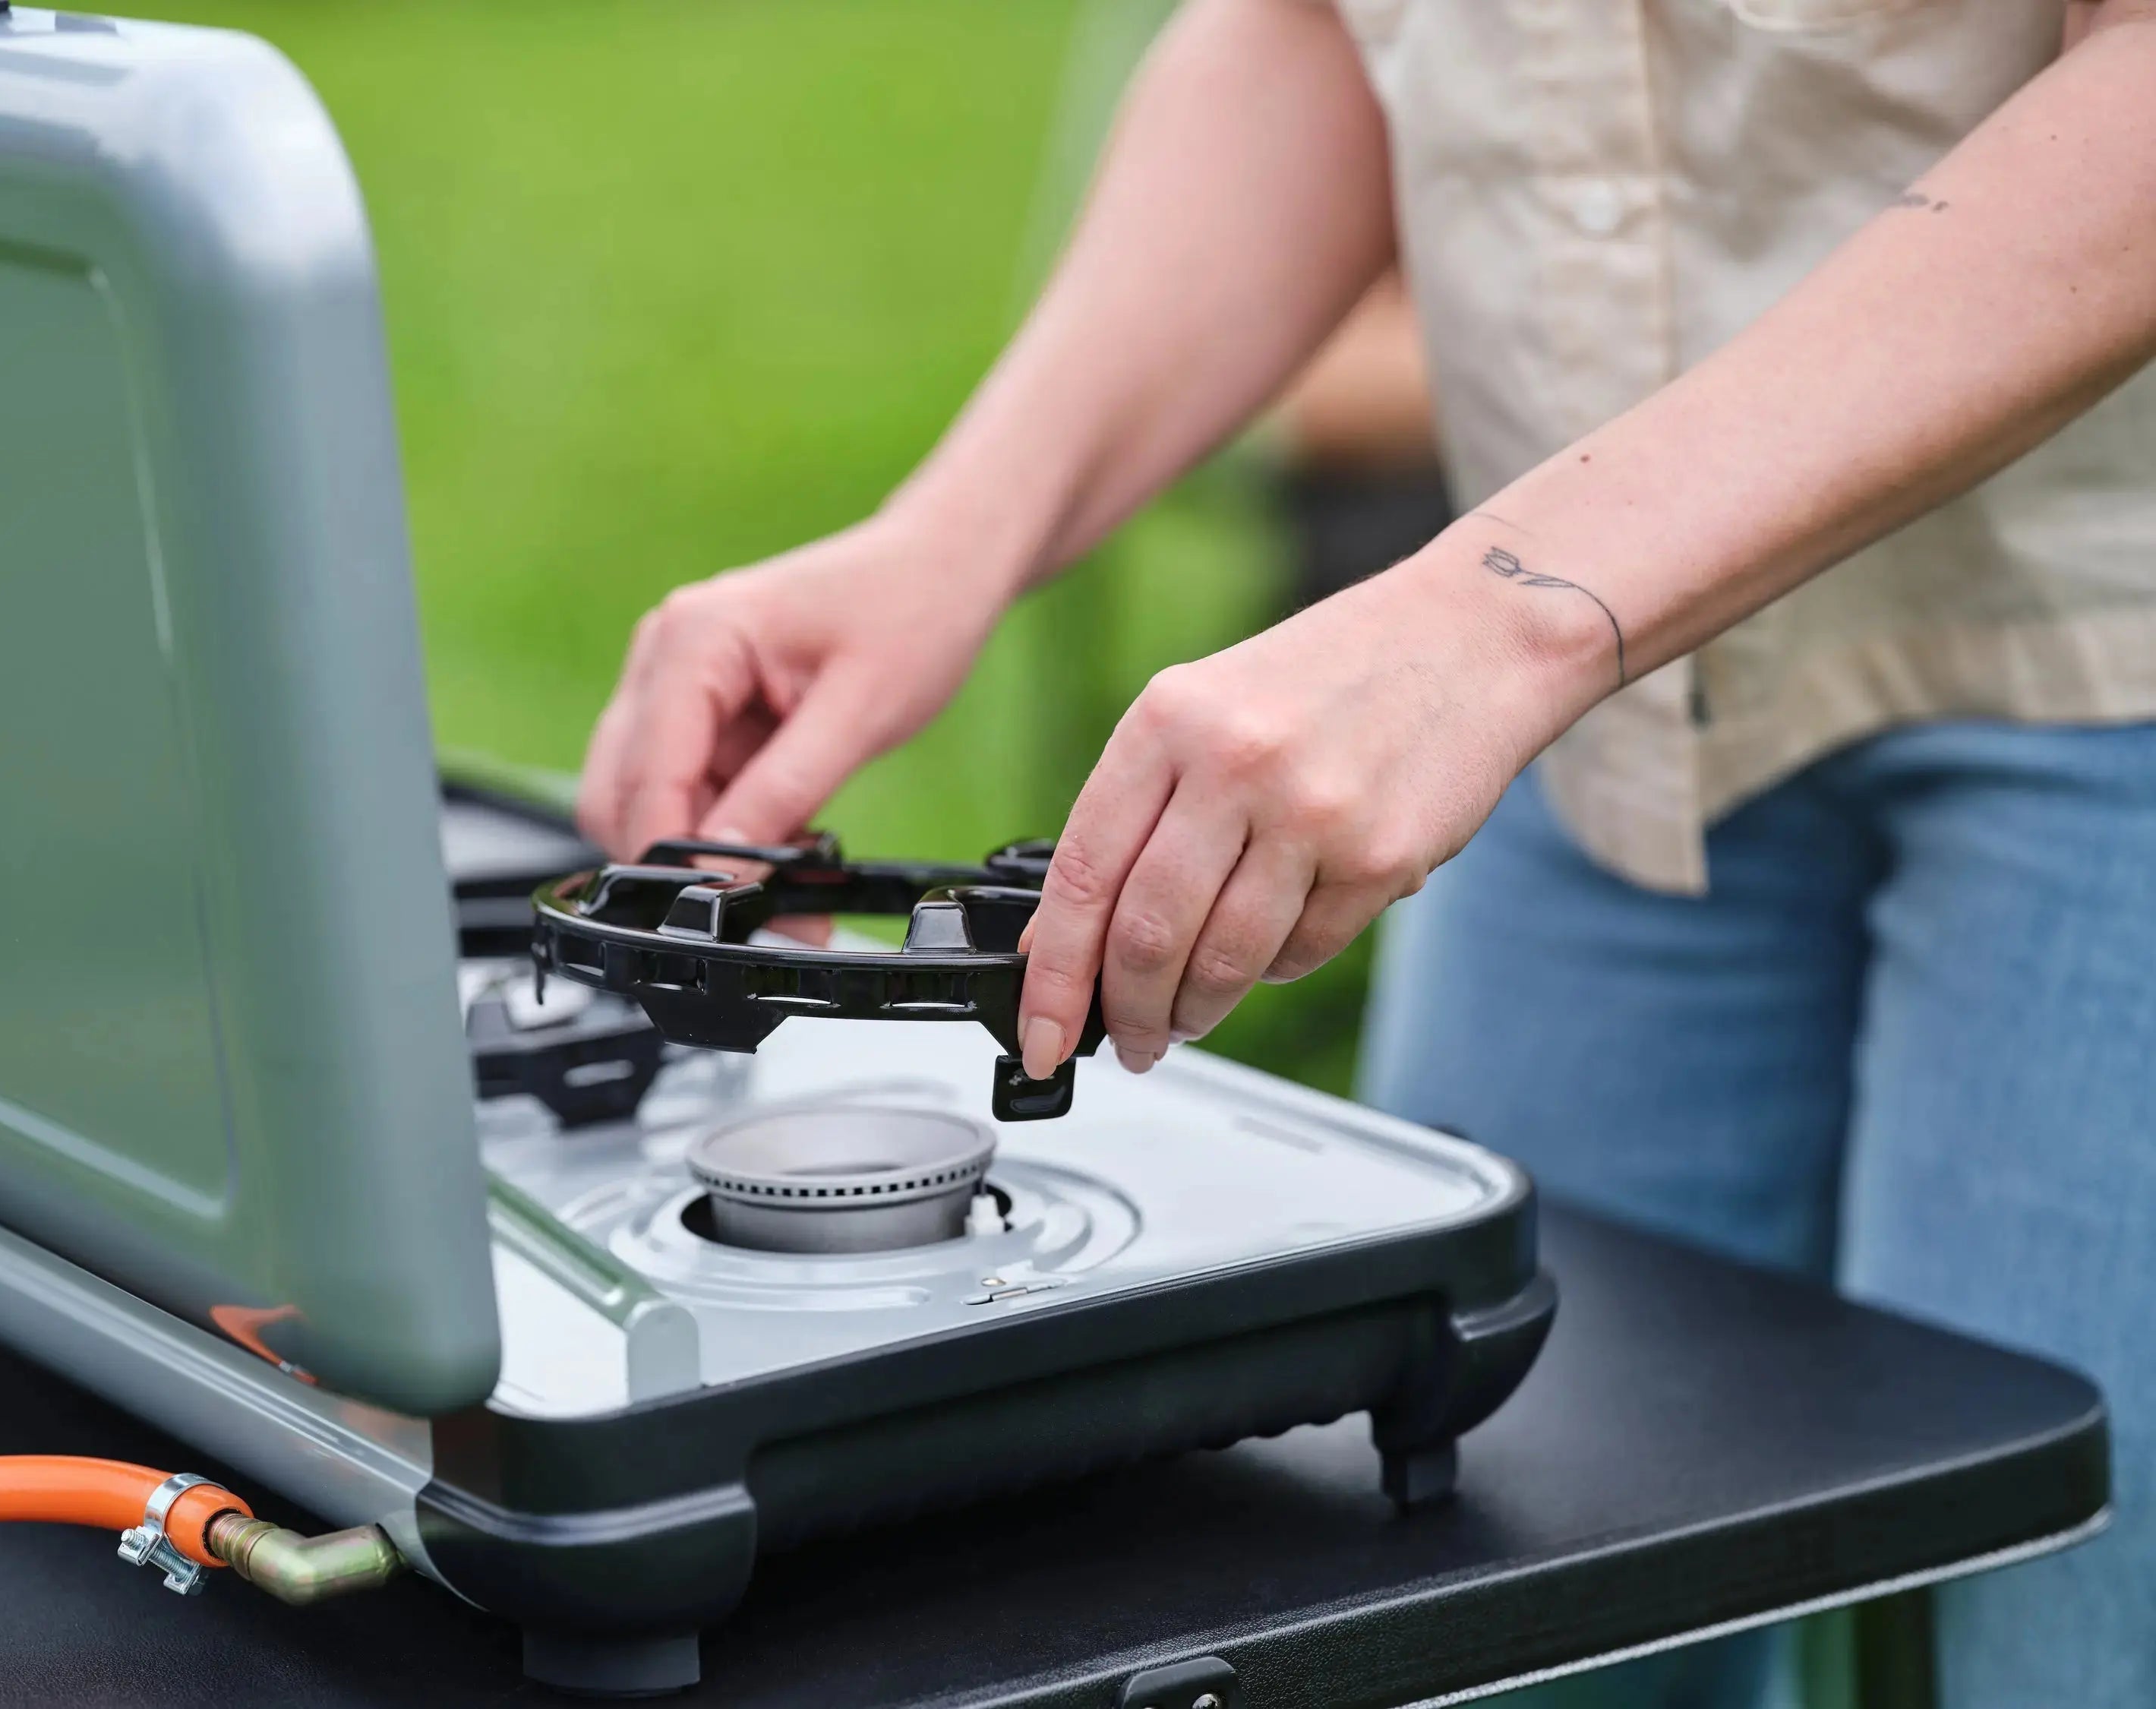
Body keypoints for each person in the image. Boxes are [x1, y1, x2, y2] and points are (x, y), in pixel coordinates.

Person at [576, 1, 2156, 1701]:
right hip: (1585, 704)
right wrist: (958, 534)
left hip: (2097, 655)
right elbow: (1319, 29)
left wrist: (1492, 630)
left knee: (2065, 1642)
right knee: (1500, 1624)